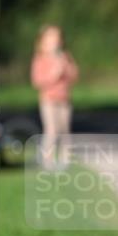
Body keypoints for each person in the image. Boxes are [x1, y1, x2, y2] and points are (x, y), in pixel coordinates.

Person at [31, 25, 79, 169]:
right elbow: (37, 81)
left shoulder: (64, 56)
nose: (55, 41)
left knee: (64, 130)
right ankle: (47, 159)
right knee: (51, 129)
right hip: (48, 99)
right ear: (43, 41)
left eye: (57, 38)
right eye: (51, 38)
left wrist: (67, 67)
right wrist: (54, 73)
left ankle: (65, 160)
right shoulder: (40, 59)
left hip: (64, 99)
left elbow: (74, 76)